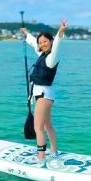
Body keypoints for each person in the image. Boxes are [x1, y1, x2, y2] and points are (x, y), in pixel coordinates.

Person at [19, 19, 68, 163]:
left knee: (38, 127)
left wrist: (61, 31)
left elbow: (58, 43)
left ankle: (41, 158)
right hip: (43, 95)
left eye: (45, 41)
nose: (42, 44)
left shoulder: (52, 57)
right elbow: (35, 43)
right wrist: (27, 33)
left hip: (44, 95)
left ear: (51, 41)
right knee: (47, 125)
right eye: (41, 42)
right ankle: (53, 150)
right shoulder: (42, 53)